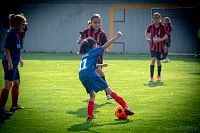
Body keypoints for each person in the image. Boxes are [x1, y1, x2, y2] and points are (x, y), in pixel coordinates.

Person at [79, 31, 134, 120]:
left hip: (81, 75)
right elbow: (105, 45)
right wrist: (116, 37)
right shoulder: (94, 51)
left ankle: (89, 115)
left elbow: (89, 65)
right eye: (96, 45)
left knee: (92, 95)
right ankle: (125, 106)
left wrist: (101, 65)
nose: (97, 46)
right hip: (90, 73)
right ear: (93, 46)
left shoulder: (85, 54)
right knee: (108, 90)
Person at [77, 14, 112, 100]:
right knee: (100, 74)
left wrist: (105, 49)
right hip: (90, 58)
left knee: (98, 75)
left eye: (99, 22)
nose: (97, 24)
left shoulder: (102, 33)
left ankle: (93, 93)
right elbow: (79, 41)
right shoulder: (86, 31)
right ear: (91, 23)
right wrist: (80, 40)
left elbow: (105, 44)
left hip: (98, 58)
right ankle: (107, 93)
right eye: (95, 22)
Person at [0, 14, 27, 120]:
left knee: (17, 82)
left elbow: (15, 48)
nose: (23, 26)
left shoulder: (16, 33)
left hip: (14, 62)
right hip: (10, 63)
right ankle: (1, 108)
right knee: (8, 85)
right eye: (22, 24)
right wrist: (10, 63)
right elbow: (6, 49)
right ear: (16, 24)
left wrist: (19, 58)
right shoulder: (11, 33)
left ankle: (14, 105)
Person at [145, 12, 168, 82]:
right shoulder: (151, 26)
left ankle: (159, 76)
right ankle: (151, 77)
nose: (156, 19)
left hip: (160, 47)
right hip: (152, 47)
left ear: (160, 19)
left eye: (157, 18)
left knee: (158, 62)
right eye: (155, 18)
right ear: (153, 19)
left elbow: (166, 36)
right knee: (153, 60)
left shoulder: (162, 26)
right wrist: (146, 38)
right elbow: (146, 31)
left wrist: (159, 40)